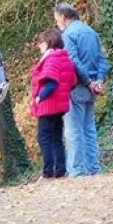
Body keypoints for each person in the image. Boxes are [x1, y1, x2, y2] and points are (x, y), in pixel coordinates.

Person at [54, 3, 109, 177]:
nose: (57, 23)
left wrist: (87, 82)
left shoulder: (68, 34)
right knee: (89, 129)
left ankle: (77, 171)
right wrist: (98, 80)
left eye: (57, 19)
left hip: (77, 86)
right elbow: (102, 59)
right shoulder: (91, 32)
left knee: (73, 130)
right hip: (92, 88)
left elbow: (73, 61)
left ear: (63, 17)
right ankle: (93, 168)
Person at [30, 28, 77, 180]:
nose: (39, 46)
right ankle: (60, 170)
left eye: (41, 42)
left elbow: (51, 83)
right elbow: (72, 81)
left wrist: (39, 97)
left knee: (44, 138)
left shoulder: (51, 58)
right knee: (57, 137)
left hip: (48, 105)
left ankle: (48, 172)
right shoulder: (64, 57)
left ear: (48, 42)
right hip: (60, 105)